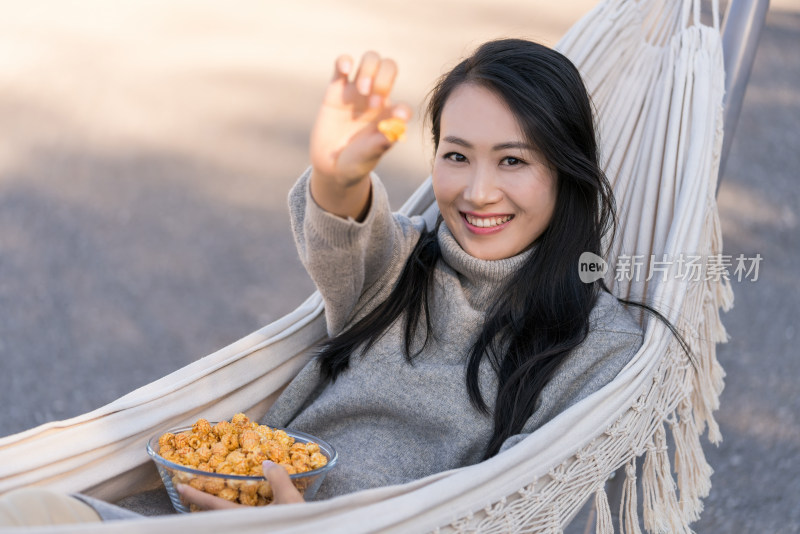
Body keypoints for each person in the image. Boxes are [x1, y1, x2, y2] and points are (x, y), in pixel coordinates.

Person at [0, 38, 644, 523]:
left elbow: (514, 509)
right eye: (456, 155)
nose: (478, 192)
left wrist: (302, 525)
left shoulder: (598, 346)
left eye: (513, 160)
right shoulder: (400, 265)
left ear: (565, 171)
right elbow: (343, 228)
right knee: (24, 511)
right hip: (206, 509)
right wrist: (337, 174)